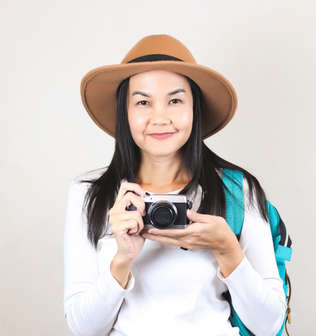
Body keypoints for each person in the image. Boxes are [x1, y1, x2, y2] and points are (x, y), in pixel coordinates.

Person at [63, 34, 287, 336]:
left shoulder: (236, 190)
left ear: (195, 108)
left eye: (175, 100)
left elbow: (269, 325)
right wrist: (122, 260)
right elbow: (83, 330)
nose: (160, 117)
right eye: (143, 102)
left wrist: (228, 250)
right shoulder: (89, 194)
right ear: (124, 112)